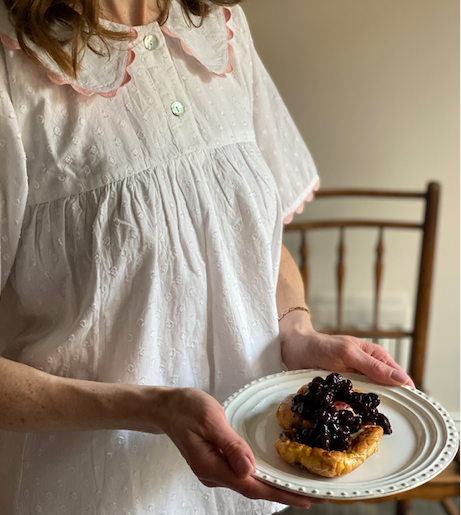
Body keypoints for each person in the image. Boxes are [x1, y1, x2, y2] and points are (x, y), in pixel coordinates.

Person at [0, 0, 414, 513]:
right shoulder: (10, 64)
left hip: (249, 490)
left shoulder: (219, 29)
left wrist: (296, 330)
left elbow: (254, 236)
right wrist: (153, 408)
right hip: (97, 492)